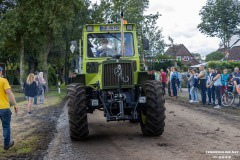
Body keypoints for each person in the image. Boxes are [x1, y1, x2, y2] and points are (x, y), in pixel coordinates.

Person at [0, 66, 18, 150]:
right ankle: (6, 144)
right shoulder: (3, 81)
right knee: (6, 126)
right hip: (4, 108)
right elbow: (9, 93)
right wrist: (15, 104)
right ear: (0, 72)